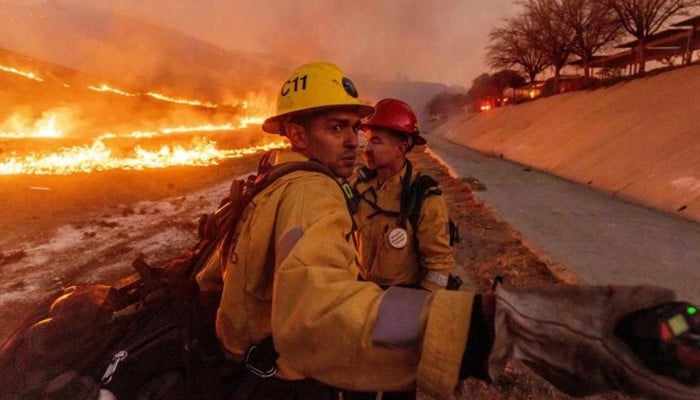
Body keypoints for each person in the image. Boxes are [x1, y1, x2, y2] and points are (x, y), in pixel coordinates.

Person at [195, 61, 700, 400]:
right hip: (295, 372)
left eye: (358, 128)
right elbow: (318, 315)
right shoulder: (312, 191)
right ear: (296, 133)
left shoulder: (272, 182)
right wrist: (491, 326)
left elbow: (216, 280)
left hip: (280, 354)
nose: (356, 143)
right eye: (337, 128)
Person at [353, 98, 454, 292]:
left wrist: (419, 308)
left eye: (376, 141)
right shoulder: (360, 186)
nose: (367, 149)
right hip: (361, 295)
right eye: (368, 140)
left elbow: (438, 266)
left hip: (401, 299)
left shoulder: (424, 197)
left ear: (399, 149)